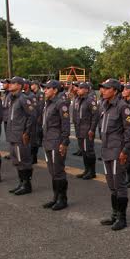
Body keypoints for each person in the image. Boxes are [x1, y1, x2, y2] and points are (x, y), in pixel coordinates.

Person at [98, 79, 130, 230]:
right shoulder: (104, 105)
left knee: (119, 185)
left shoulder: (122, 107)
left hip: (117, 151)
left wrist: (125, 150)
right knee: (112, 185)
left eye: (106, 88)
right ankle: (114, 214)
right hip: (106, 150)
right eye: (102, 88)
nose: (103, 91)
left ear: (114, 90)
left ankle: (122, 218)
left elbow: (129, 130)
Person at [41, 80, 72, 210]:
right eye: (45, 88)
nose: (45, 90)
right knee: (52, 171)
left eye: (48, 88)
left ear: (55, 90)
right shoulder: (48, 103)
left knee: (58, 171)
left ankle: (62, 199)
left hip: (56, 141)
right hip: (47, 141)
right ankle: (55, 197)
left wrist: (64, 142)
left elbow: (65, 124)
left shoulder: (61, 103)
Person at [4, 77, 36, 196]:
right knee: (16, 160)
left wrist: (27, 132)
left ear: (19, 86)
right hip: (13, 135)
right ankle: (21, 182)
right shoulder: (12, 98)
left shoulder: (24, 99)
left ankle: (27, 185)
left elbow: (32, 116)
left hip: (20, 136)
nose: (10, 85)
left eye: (13, 83)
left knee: (24, 160)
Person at [73, 82, 99, 180]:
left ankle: (92, 172)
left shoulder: (90, 100)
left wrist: (92, 129)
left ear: (86, 90)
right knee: (83, 151)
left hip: (86, 130)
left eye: (80, 88)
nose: (77, 89)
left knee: (89, 151)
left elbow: (95, 115)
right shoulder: (78, 99)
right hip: (80, 129)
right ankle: (86, 170)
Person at [29, 80, 45, 165]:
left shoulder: (40, 94)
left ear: (35, 85)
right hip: (33, 117)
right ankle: (32, 157)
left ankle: (33, 157)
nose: (31, 86)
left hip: (37, 117)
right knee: (33, 137)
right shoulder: (34, 94)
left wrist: (39, 117)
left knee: (36, 135)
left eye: (32, 85)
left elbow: (41, 106)